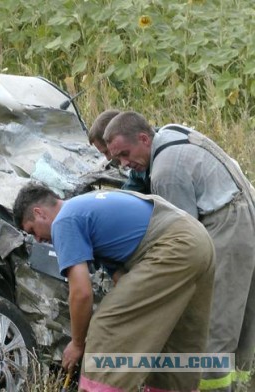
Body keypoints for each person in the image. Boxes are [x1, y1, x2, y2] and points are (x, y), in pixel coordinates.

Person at [104, 111, 255, 391]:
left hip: (227, 226)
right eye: (117, 160)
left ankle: (215, 388)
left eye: (124, 154)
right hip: (245, 215)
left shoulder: (165, 172)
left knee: (214, 325)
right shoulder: (172, 133)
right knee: (242, 319)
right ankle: (242, 385)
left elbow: (185, 242)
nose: (125, 165)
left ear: (143, 138)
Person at [13, 183, 215, 391]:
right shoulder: (90, 206)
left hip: (173, 245)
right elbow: (124, 280)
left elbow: (81, 293)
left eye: (32, 230)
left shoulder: (64, 221)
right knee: (173, 339)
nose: (37, 239)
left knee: (106, 326)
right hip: (198, 241)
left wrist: (78, 343)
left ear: (39, 213)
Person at [88, 109, 149, 193]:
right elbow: (127, 194)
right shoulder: (138, 167)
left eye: (106, 152)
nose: (108, 159)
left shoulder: (157, 164)